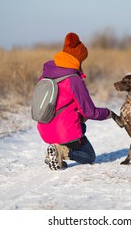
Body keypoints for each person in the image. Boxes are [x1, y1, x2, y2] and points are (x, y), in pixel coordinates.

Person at [37, 32, 111, 170]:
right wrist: (108, 113)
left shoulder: (47, 73)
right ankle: (62, 151)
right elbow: (90, 112)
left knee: (82, 127)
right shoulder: (73, 79)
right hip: (63, 130)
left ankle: (54, 152)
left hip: (44, 127)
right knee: (89, 156)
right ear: (78, 59)